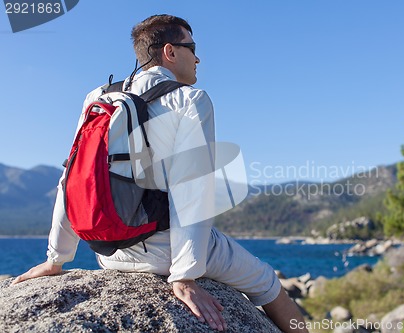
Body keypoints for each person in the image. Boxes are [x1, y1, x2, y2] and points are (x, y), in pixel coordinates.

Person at [11, 14, 309, 333]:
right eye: (191, 47)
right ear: (170, 51)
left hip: (110, 253)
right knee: (269, 286)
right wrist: (184, 274)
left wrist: (56, 259)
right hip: (165, 252)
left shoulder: (97, 98)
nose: (197, 57)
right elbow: (192, 189)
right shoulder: (190, 99)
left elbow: (73, 178)